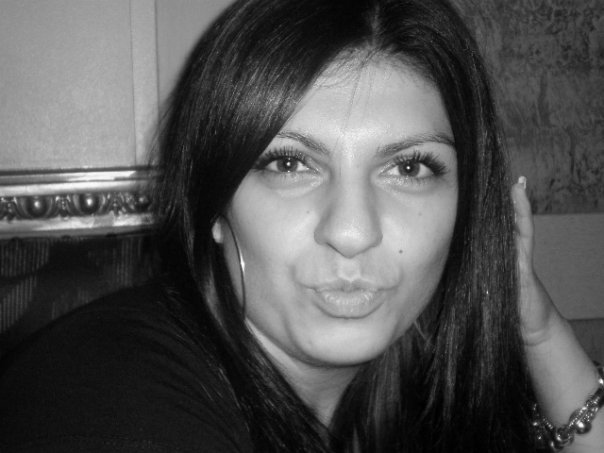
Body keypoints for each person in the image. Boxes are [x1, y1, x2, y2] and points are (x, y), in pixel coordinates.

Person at [0, 0, 602, 451]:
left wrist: (538, 330)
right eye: (289, 164)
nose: (352, 231)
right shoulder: (111, 400)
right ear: (215, 203)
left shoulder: (413, 378)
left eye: (409, 167)